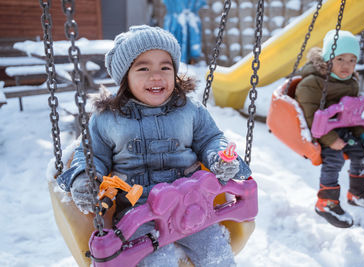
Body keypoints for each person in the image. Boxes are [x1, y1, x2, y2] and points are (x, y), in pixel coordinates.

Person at [57, 25, 251, 266]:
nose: (156, 76)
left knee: (217, 253)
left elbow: (211, 139)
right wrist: (85, 178)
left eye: (165, 67)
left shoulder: (189, 110)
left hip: (192, 204)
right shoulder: (107, 118)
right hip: (139, 214)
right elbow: (91, 155)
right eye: (144, 68)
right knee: (157, 261)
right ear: (125, 77)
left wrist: (220, 157)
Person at [295, 30, 364, 228]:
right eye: (340, 59)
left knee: (361, 151)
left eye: (352, 60)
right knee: (335, 158)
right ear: (328, 59)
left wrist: (362, 135)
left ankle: (357, 192)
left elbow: (352, 115)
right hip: (319, 133)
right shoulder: (312, 83)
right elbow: (310, 117)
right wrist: (330, 140)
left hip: (343, 130)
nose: (346, 65)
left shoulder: (351, 83)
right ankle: (326, 202)